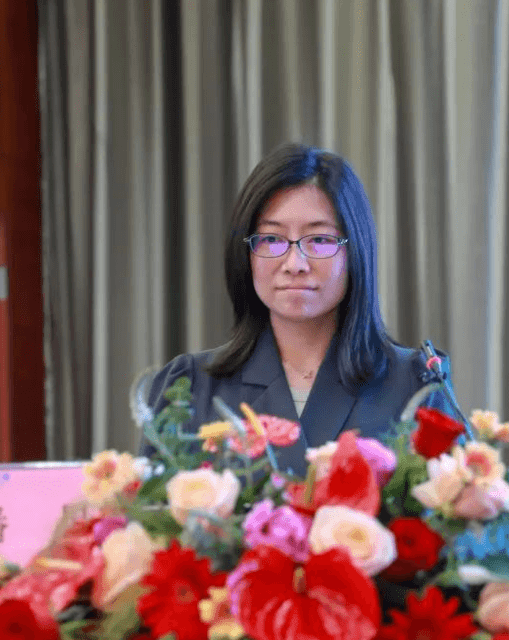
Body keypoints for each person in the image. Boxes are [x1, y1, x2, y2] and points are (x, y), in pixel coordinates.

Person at [144, 143, 457, 476]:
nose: (295, 264)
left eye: (319, 240)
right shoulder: (190, 387)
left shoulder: (415, 385)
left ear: (355, 251)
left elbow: (456, 503)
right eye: (271, 239)